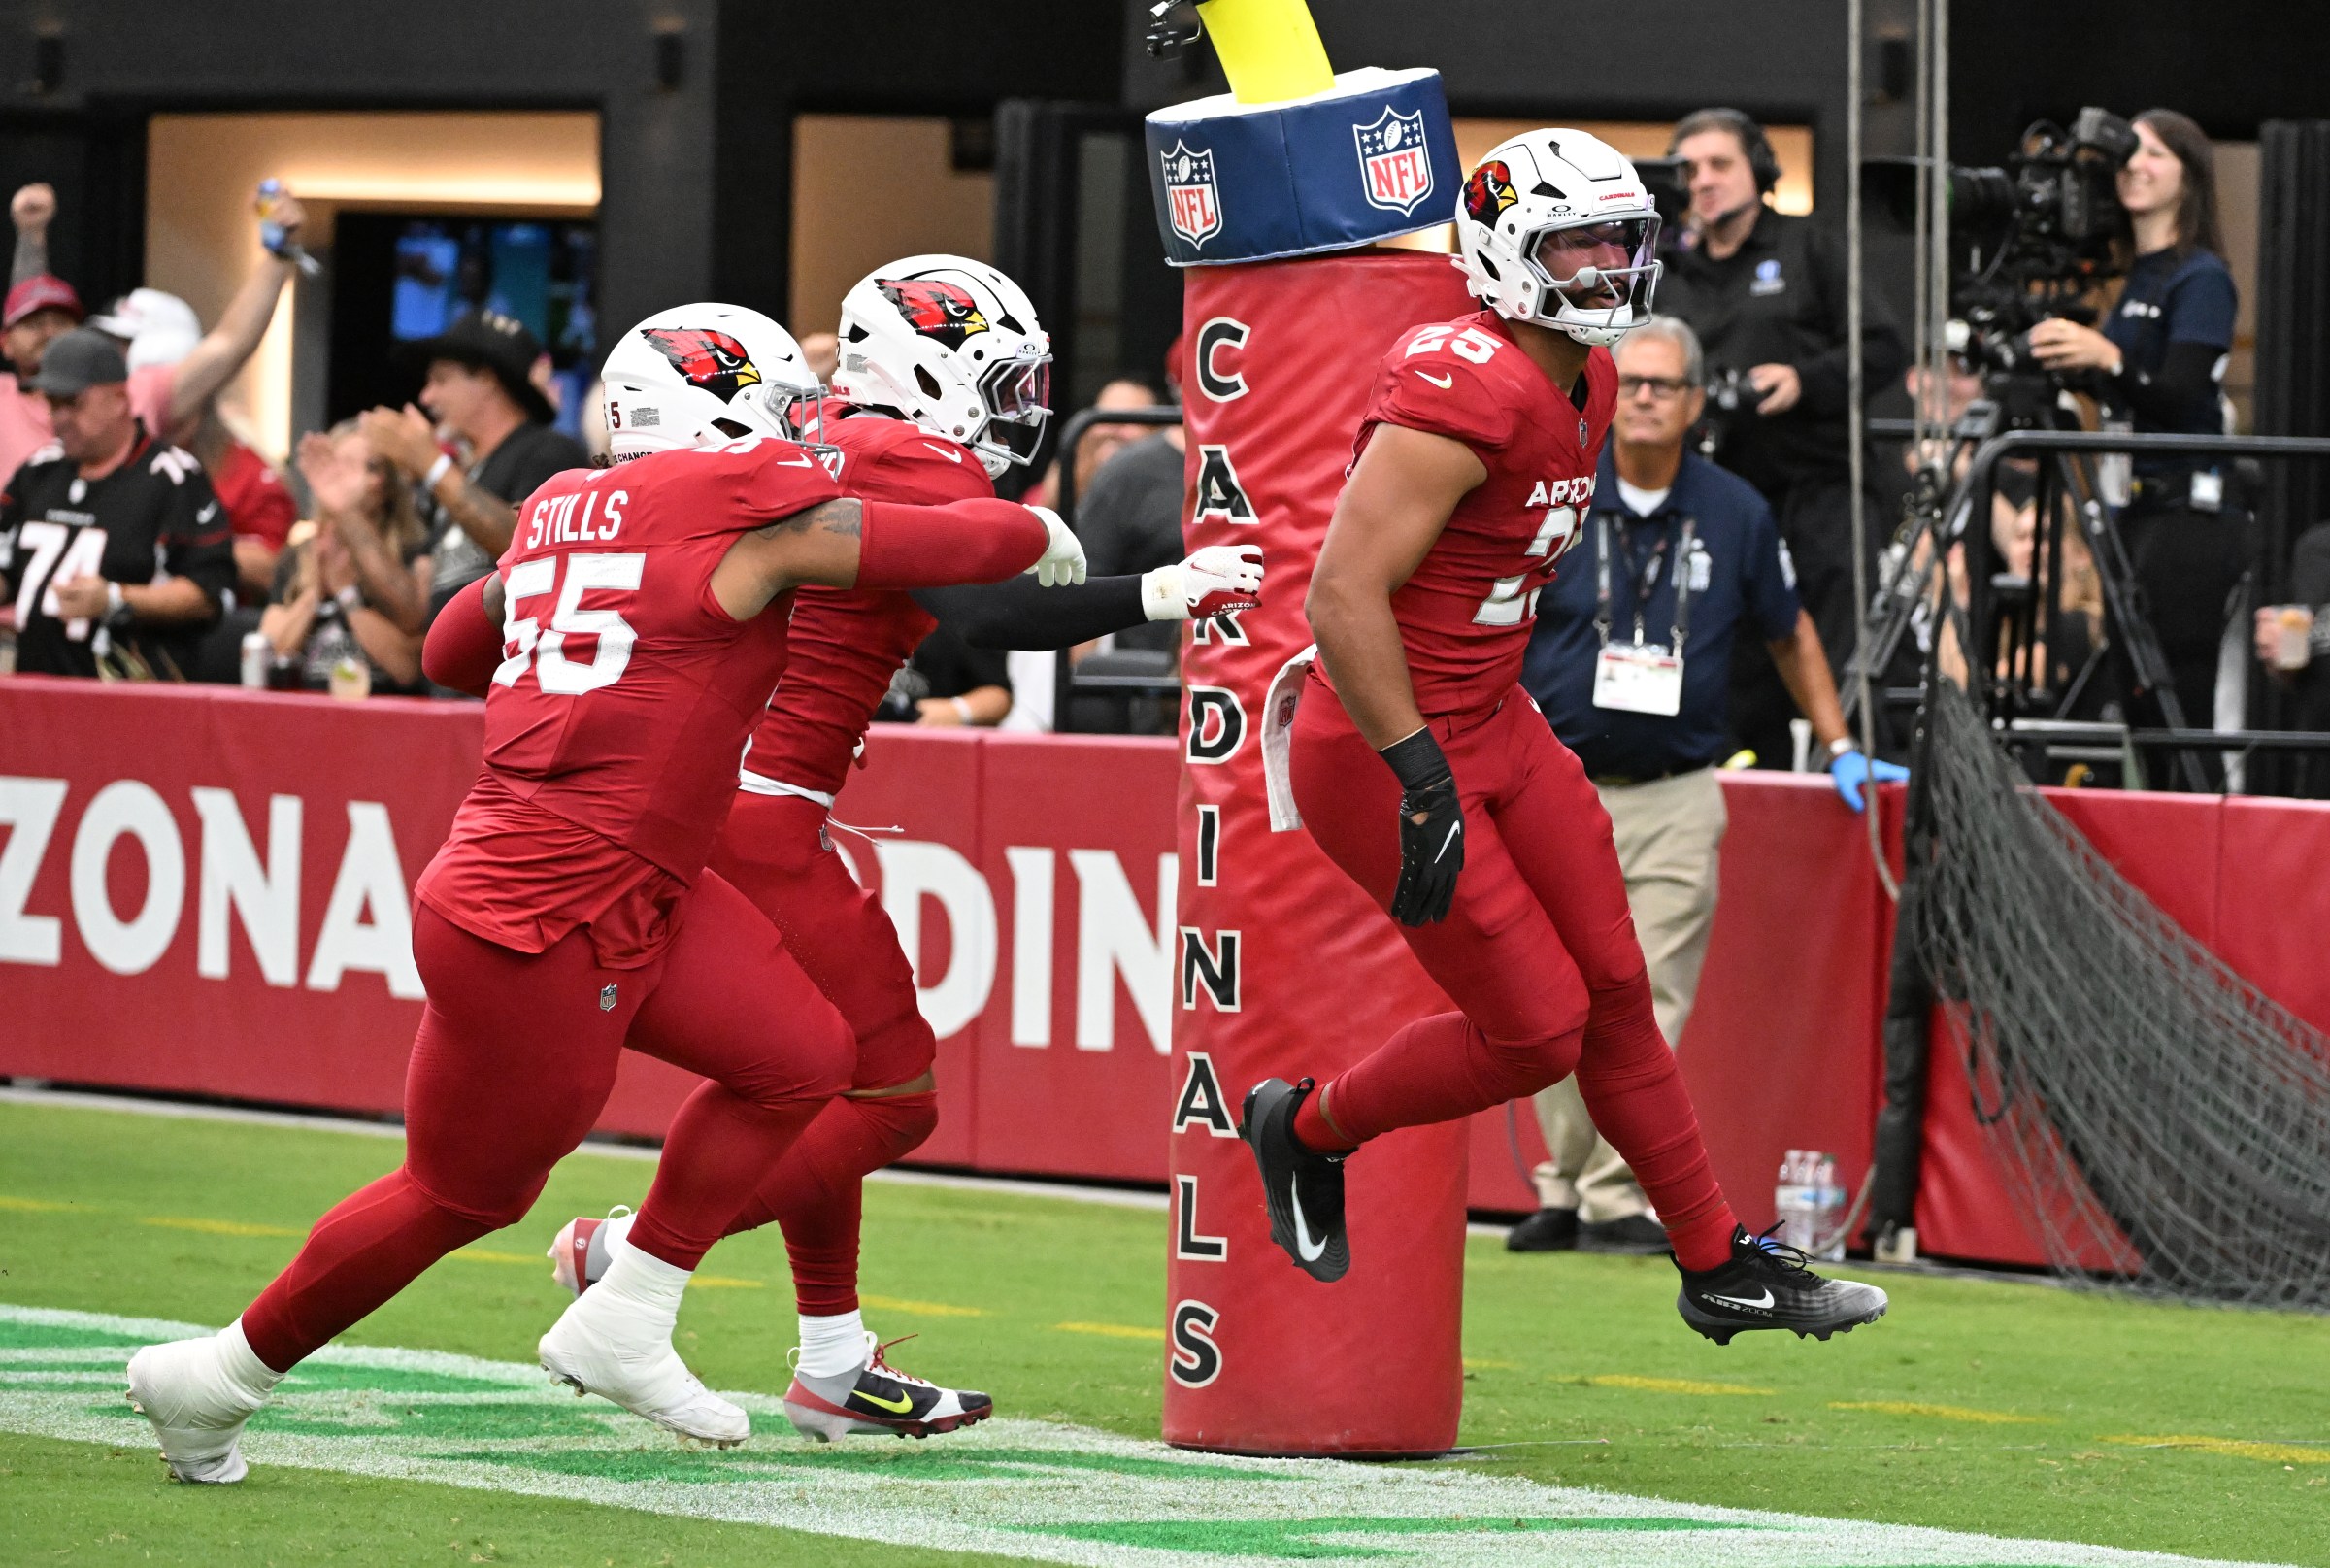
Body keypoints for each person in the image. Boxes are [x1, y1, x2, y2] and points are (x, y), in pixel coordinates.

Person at [122, 305, 1088, 1485]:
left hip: (603, 875)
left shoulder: (559, 505)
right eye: (780, 413)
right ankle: (220, 1374)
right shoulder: (722, 501)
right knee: (460, 1193)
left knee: (803, 1055)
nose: (797, 433)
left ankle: (632, 1304)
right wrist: (1033, 524)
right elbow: (956, 547)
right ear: (719, 414)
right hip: (557, 914)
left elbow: (444, 650)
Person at [529, 268, 1258, 1443]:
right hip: (759, 809)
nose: (1019, 408)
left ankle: (831, 1360)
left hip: (738, 800)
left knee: (824, 1078)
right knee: (892, 1094)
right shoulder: (906, 456)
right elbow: (984, 614)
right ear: (934, 364)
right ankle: (631, 1255)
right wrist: (1158, 591)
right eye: (1006, 380)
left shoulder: (816, 427)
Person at [1239, 131, 1887, 1344]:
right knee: (1536, 1031)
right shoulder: (1461, 383)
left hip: (1497, 716)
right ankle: (1305, 1123)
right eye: (1575, 243)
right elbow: (1340, 596)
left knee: (1617, 989)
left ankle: (1716, 1261)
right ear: (1503, 253)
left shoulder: (1586, 381)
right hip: (1386, 742)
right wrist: (1418, 772)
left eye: (1618, 241)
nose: (1604, 266)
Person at [1504, 316, 1904, 1253]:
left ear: (1693, 403)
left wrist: (1840, 742)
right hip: (1555, 781)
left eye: (1662, 385)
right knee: (1550, 996)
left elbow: (1788, 628)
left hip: (1681, 788)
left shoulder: (1734, 509)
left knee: (1641, 993)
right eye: (1629, 381)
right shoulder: (1558, 493)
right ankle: (1567, 1186)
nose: (1642, 397)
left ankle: (1606, 1194)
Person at [1654, 110, 1906, 769]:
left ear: (1760, 171)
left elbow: (1885, 347)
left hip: (1823, 493)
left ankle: (1853, 783)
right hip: (1724, 495)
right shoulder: (1673, 271)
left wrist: (1804, 378)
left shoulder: (1811, 244)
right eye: (1690, 170)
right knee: (1736, 659)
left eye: (1719, 165)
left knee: (1841, 650)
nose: (1702, 181)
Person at [2027, 110, 2241, 736]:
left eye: (2154, 154)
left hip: (2186, 514)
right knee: (2135, 700)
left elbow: (2177, 397)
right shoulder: (2131, 276)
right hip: (2130, 510)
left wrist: (2107, 357)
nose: (2134, 167)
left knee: (2176, 694)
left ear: (2189, 175)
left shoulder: (2201, 276)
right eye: (2129, 155)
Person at [4, 183, 313, 497]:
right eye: (33, 325)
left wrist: (280, 252)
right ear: (5, 342)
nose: (48, 333)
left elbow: (229, 345)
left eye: (61, 322)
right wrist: (31, 235)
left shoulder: (130, 396)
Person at [0, 329, 233, 680]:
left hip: (130, 698)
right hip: (36, 693)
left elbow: (209, 593)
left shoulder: (170, 478)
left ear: (120, 399)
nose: (59, 418)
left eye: (73, 403)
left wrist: (116, 599)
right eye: (52, 403)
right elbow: (5, 566)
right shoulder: (38, 472)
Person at [358, 309, 588, 629]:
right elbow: (414, 615)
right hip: (447, 679)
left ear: (486, 379)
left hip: (505, 675)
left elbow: (530, 550)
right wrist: (346, 512)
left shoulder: (550, 452)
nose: (426, 396)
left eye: (440, 380)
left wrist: (431, 466)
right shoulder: (461, 477)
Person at [93, 287, 297, 601]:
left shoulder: (249, 474)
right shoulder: (103, 453)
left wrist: (181, 541)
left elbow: (273, 570)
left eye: (125, 353)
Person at [256, 421, 434, 693]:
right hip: (305, 711)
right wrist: (314, 595)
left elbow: (408, 668)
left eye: (358, 466)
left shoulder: (414, 552)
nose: (337, 479)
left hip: (385, 715)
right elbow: (268, 655)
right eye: (338, 465)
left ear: (384, 485)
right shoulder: (300, 555)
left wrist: (347, 594)